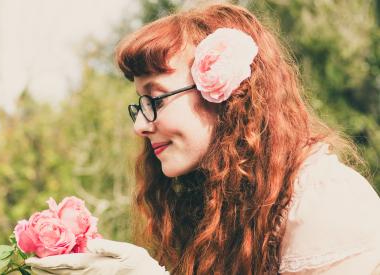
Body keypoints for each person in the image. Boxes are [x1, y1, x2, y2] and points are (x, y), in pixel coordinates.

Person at [26, 3, 380, 274]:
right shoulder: (221, 207)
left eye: (157, 98)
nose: (141, 126)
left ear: (228, 96)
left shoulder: (325, 202)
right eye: (140, 103)